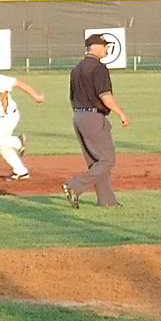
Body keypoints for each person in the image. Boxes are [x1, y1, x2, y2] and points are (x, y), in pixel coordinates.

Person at [63, 34, 130, 208]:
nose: (107, 49)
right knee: (107, 160)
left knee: (96, 161)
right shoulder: (98, 68)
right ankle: (74, 186)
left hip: (79, 116)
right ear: (95, 46)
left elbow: (72, 97)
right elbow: (105, 96)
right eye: (105, 45)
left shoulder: (76, 68)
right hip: (93, 117)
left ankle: (107, 200)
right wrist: (120, 113)